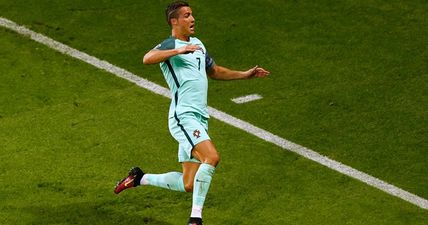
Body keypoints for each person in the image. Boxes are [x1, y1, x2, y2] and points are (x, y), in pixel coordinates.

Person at [114, 1, 270, 225]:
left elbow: (214, 71)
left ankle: (139, 178)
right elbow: (147, 58)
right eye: (186, 15)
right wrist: (178, 50)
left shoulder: (198, 44)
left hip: (199, 117)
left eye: (192, 15)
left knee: (189, 183)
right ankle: (195, 219)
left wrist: (245, 75)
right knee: (212, 157)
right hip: (182, 116)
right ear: (174, 21)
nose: (192, 19)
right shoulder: (171, 44)